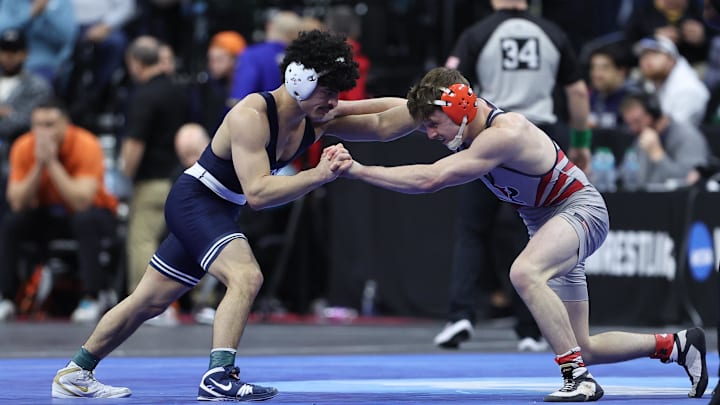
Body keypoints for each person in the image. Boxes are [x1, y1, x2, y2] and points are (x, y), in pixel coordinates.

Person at [50, 29, 414, 400]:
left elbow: (382, 122)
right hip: (197, 200)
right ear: (299, 81)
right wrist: (319, 175)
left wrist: (427, 108)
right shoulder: (251, 115)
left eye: (339, 92)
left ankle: (75, 372)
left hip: (220, 207)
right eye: (328, 91)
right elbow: (257, 193)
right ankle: (218, 376)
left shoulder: (316, 115)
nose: (334, 101)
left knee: (149, 301)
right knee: (245, 275)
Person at [342, 66, 708, 402]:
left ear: (459, 110)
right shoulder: (460, 115)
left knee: (524, 272)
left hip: (579, 210)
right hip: (548, 221)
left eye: (434, 124)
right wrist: (331, 112)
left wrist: (358, 170)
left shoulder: (504, 134)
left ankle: (577, 378)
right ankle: (676, 345)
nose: (431, 134)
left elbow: (431, 179)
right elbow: (386, 114)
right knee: (583, 345)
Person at [435, 0, 592, 351]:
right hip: (540, 137)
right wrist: (582, 142)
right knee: (538, 228)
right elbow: (578, 91)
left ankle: (461, 314)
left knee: (472, 229)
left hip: (491, 132)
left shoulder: (478, 33)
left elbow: (445, 87)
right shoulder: (552, 32)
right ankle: (531, 329)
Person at [0, 98, 118, 322]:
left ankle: (91, 297)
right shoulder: (23, 146)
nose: (43, 132)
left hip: (93, 213)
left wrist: (52, 162)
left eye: (50, 124)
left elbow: (82, 201)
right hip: (49, 213)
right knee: (12, 222)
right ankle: (5, 297)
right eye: (38, 125)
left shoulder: (86, 143)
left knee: (84, 220)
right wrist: (38, 165)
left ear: (66, 123)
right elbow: (17, 201)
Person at [619, 91, 710, 189]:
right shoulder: (642, 136)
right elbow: (625, 177)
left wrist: (658, 155)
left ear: (654, 113)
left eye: (637, 121)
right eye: (630, 124)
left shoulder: (688, 137)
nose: (633, 129)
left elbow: (688, 183)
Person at [634, 35, 709, 127]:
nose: (646, 60)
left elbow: (673, 130)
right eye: (643, 55)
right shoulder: (654, 82)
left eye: (654, 53)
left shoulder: (687, 88)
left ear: (671, 59)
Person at [229, 10, 301, 102]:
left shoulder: (252, 56)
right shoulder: (301, 59)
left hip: (260, 114)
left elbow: (239, 98)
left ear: (269, 26)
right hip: (294, 115)